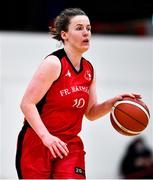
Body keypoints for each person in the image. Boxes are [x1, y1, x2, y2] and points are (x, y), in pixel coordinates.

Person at [15, 7, 141, 179]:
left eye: (88, 28)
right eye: (79, 28)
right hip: (37, 142)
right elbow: (27, 104)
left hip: (69, 145)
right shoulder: (53, 63)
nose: (86, 33)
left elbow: (90, 113)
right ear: (64, 34)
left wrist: (112, 103)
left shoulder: (89, 69)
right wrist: (47, 137)